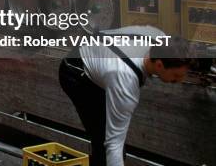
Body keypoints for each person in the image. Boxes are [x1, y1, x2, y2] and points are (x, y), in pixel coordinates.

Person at [59, 26, 193, 166]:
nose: (180, 80)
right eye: (176, 76)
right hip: (76, 73)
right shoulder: (125, 81)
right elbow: (113, 143)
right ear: (159, 65)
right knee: (105, 141)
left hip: (101, 56)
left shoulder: (159, 37)